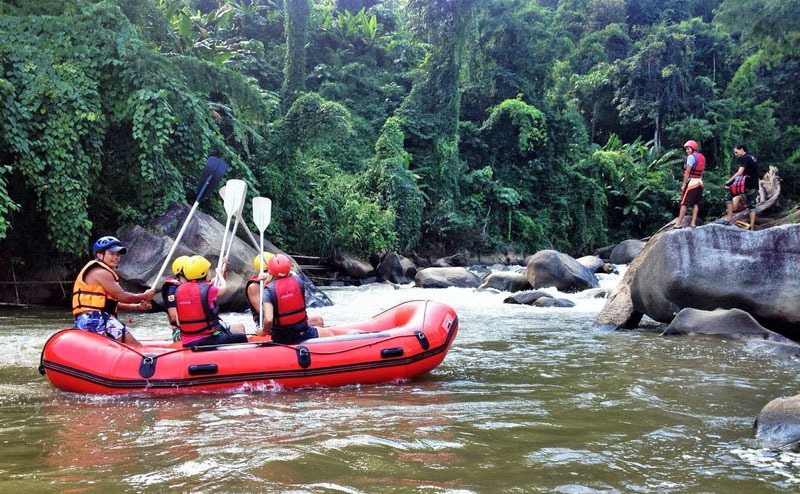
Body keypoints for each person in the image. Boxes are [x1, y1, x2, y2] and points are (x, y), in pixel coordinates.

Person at [72, 236, 156, 346]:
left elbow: (111, 304)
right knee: (135, 346)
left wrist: (137, 307)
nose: (116, 257)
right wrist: (144, 296)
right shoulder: (101, 272)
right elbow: (123, 297)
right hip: (96, 319)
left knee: (128, 346)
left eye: (117, 255)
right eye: (112, 254)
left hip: (91, 319)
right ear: (99, 255)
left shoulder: (101, 272)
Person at [175, 255, 248, 347]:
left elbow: (178, 321)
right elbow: (224, 288)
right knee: (240, 337)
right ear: (203, 273)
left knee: (236, 328)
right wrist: (220, 275)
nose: (210, 272)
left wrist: (222, 269)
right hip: (206, 339)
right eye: (208, 270)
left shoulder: (179, 290)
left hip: (187, 341)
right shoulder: (209, 290)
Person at [258, 254, 325, 343]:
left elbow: (269, 319)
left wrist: (263, 332)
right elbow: (291, 274)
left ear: (270, 270)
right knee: (328, 334)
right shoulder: (299, 281)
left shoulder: (268, 291)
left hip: (282, 337)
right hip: (304, 332)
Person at [724, 143, 759, 230]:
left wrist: (728, 182)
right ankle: (752, 227)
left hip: (746, 185)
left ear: (741, 149)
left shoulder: (745, 158)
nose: (736, 155)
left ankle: (729, 218)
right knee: (752, 206)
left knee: (728, 197)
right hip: (754, 185)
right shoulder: (752, 157)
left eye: (736, 152)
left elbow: (739, 173)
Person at [675, 139, 705, 228]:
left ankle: (679, 223)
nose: (687, 151)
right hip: (700, 182)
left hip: (692, 182)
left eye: (688, 149)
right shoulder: (702, 157)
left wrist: (684, 184)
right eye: (686, 149)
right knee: (695, 203)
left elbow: (687, 172)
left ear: (693, 148)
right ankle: (693, 223)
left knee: (684, 203)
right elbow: (702, 171)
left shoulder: (691, 157)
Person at [162, 255, 189, 342]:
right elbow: (174, 317)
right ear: (181, 272)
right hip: (180, 332)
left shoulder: (192, 285)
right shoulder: (173, 290)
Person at [246, 252, 273, 327]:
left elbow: (293, 275)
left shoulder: (278, 278)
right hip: (266, 324)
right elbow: (263, 311)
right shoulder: (254, 286)